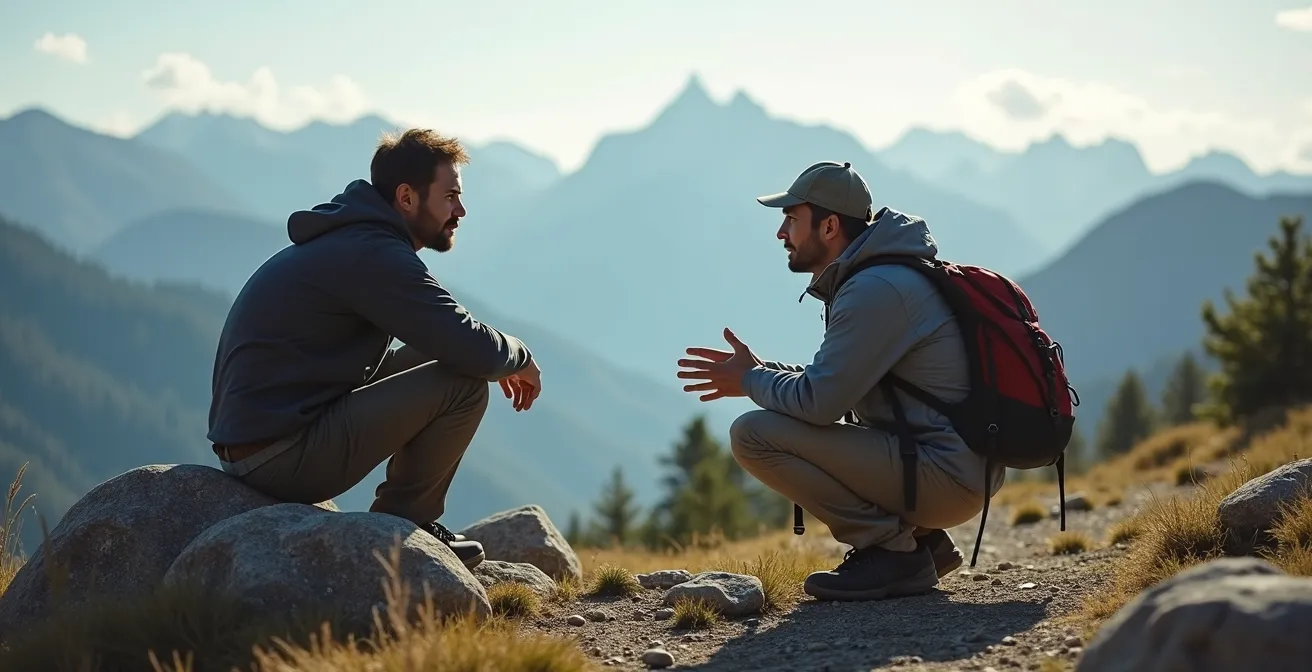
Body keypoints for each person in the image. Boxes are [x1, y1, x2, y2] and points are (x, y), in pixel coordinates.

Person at [207, 128, 542, 569]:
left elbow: (451, 335)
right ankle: (402, 529)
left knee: (446, 356)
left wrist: (495, 353)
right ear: (406, 197)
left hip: (269, 435)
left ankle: (402, 524)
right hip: (280, 456)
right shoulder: (373, 254)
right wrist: (519, 354)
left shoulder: (353, 240)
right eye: (450, 196)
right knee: (465, 381)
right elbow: (473, 347)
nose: (461, 210)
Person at [675, 160, 1003, 601]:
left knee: (753, 435)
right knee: (779, 422)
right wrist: (758, 371)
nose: (781, 233)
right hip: (951, 464)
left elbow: (821, 403)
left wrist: (751, 380)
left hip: (945, 476)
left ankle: (893, 554)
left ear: (829, 226)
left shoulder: (875, 289)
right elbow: (836, 384)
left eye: (792, 219)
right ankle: (924, 545)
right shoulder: (880, 276)